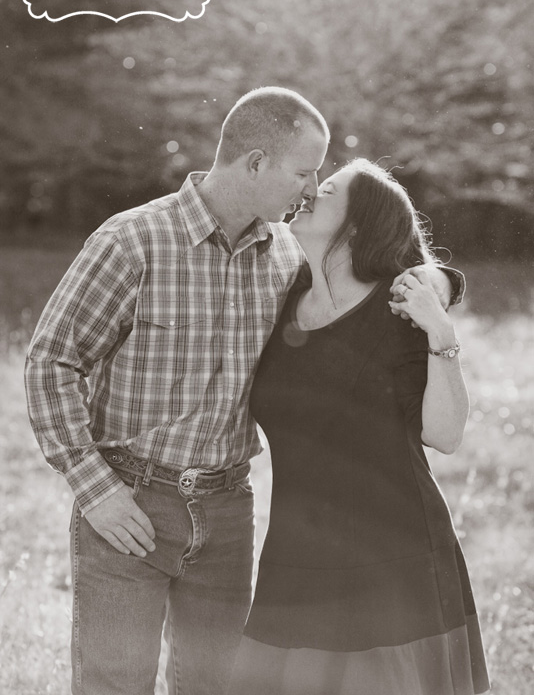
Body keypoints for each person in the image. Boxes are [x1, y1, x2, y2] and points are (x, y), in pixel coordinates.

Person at [24, 88, 461, 695]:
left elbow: (380, 263)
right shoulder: (132, 241)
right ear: (256, 163)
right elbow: (51, 362)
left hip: (228, 510)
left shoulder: (288, 256)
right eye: (304, 172)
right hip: (129, 501)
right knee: (114, 683)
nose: (311, 190)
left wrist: (440, 282)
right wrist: (96, 492)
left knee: (214, 685)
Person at [228, 159, 490, 695]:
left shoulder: (399, 309)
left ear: (358, 222)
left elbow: (444, 434)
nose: (307, 192)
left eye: (325, 189)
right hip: (296, 551)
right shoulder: (280, 292)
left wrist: (440, 328)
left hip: (393, 554)